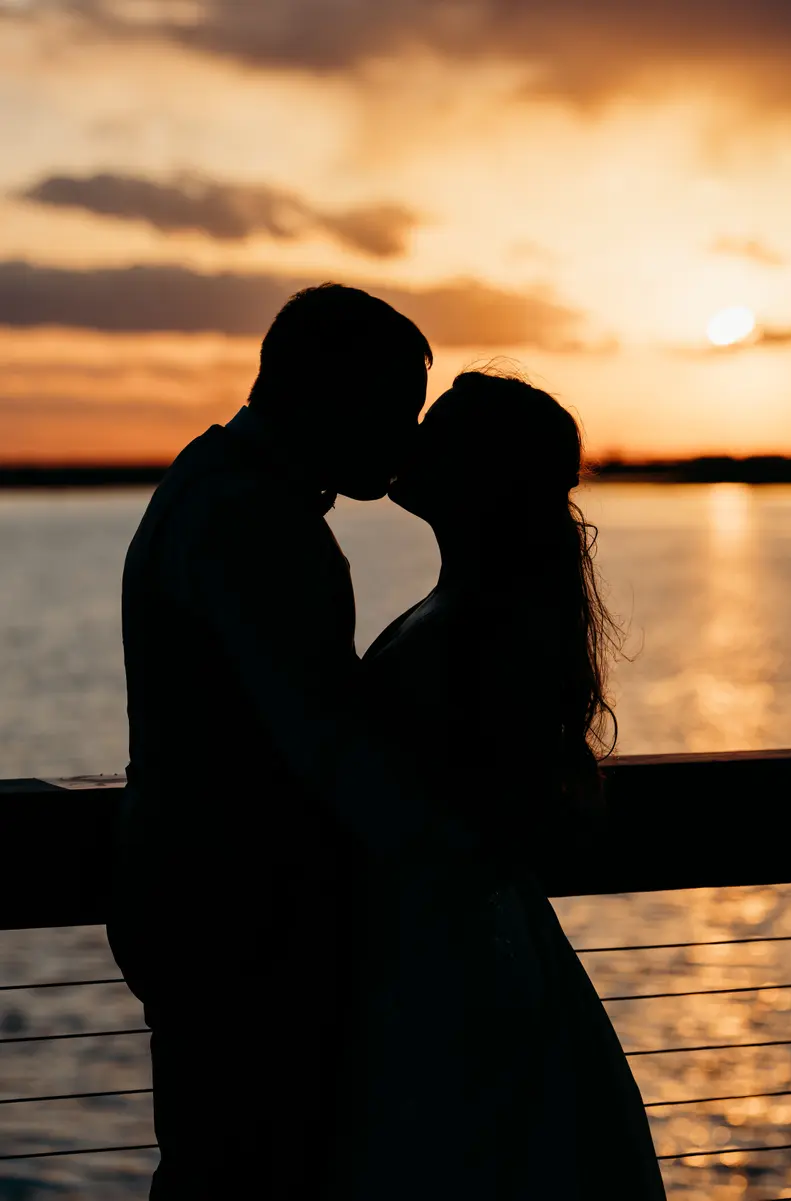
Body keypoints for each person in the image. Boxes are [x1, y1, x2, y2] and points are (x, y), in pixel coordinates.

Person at [106, 284, 489, 1200]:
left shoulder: (213, 484)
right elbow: (319, 738)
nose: (406, 438)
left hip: (210, 908)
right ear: (330, 395)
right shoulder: (249, 518)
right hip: (239, 924)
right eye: (395, 409)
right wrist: (454, 856)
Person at [338, 369, 668, 1199]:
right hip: (455, 940)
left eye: (436, 429)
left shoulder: (480, 625)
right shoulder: (472, 605)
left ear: (477, 472)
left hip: (451, 957)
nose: (411, 438)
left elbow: (483, 805)